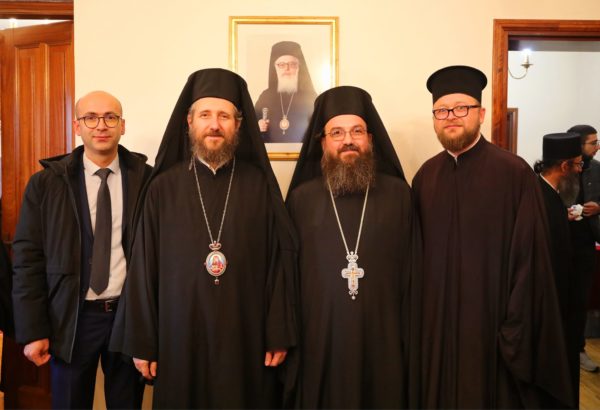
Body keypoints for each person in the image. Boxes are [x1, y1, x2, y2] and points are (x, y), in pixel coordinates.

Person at [111, 68, 298, 408]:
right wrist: (143, 341)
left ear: (238, 125)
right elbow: (143, 269)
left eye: (224, 116)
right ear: (189, 121)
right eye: (205, 115)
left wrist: (278, 332)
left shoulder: (259, 186)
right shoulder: (163, 187)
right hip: (179, 334)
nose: (214, 125)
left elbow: (278, 264)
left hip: (247, 334)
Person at [412, 65, 573, 408]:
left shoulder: (514, 174)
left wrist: (514, 330)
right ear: (434, 119)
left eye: (461, 108)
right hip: (436, 330)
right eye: (442, 110)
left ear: (481, 114)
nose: (451, 117)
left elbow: (531, 261)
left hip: (493, 327)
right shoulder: (425, 177)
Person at [11, 90, 151, 408]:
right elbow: (28, 259)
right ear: (77, 126)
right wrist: (33, 329)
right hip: (72, 318)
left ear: (122, 125)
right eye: (90, 117)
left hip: (128, 316)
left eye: (110, 117)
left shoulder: (146, 180)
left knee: (127, 404)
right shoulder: (47, 184)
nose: (101, 125)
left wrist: (151, 328)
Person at [286, 86, 420, 408]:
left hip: (384, 339)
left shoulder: (399, 195)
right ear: (322, 143)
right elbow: (288, 279)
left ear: (370, 139)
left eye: (357, 131)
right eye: (337, 132)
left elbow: (415, 273)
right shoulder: (301, 199)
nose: (348, 140)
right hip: (320, 341)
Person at [534, 132, 583, 407]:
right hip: (547, 311)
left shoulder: (550, 196)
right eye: (578, 164)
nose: (580, 170)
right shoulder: (537, 197)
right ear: (564, 166)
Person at [566, 124, 600, 373]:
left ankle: (578, 349)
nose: (597, 147)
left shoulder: (597, 169)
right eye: (593, 142)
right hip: (559, 244)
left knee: (580, 301)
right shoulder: (557, 168)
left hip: (587, 244)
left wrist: (598, 207)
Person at [255, 41, 317, 143]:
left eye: (292, 64)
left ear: (299, 68)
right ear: (275, 68)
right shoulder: (265, 96)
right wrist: (258, 126)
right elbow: (251, 125)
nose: (287, 69)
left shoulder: (310, 97)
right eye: (281, 65)